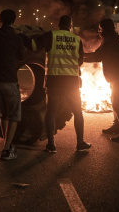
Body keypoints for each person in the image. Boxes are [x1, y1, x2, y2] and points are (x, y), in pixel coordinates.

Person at [33, 15, 91, 153]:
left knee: (51, 112)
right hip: (71, 82)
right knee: (77, 112)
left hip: (54, 80)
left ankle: (51, 145)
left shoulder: (51, 36)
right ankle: (80, 143)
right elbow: (80, 61)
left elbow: (34, 46)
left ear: (59, 24)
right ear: (70, 26)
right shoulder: (77, 40)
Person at [84, 19, 119, 142]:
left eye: (100, 28)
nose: (99, 31)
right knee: (114, 103)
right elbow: (97, 54)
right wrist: (82, 56)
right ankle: (116, 126)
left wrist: (80, 57)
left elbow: (98, 57)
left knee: (116, 105)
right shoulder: (109, 40)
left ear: (105, 29)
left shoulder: (110, 42)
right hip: (117, 77)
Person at [0, 9, 25, 160]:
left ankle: (7, 145)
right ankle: (6, 150)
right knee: (15, 115)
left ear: (0, 19)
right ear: (14, 21)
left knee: (3, 113)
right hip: (9, 80)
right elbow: (22, 57)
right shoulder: (16, 38)